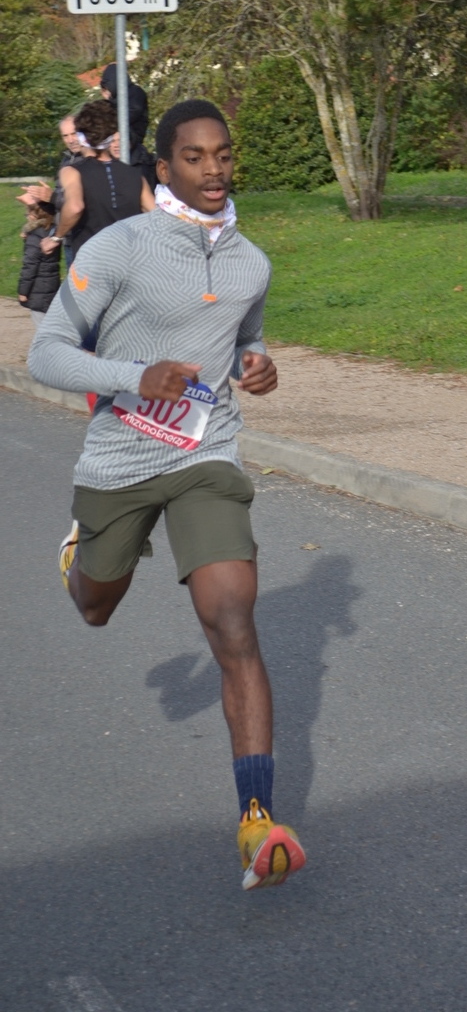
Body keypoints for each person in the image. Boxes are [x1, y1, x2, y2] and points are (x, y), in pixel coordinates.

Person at [28, 99, 304, 892]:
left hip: (204, 453)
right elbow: (46, 354)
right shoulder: (119, 248)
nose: (214, 170)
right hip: (120, 455)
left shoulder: (250, 261)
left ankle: (257, 818)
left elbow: (244, 337)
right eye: (194, 156)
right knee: (95, 606)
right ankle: (81, 554)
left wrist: (257, 364)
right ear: (164, 166)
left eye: (224, 154)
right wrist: (133, 375)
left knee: (233, 620)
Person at [41, 99, 155, 261]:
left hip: (92, 260)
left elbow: (75, 207)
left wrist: (56, 237)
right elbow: (156, 215)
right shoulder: (134, 174)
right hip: (130, 259)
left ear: (82, 137)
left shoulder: (72, 172)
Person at [100, 62, 157, 191]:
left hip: (135, 155)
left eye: (107, 87)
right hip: (121, 156)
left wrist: (110, 103)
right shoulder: (116, 101)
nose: (106, 92)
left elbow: (130, 113)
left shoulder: (135, 93)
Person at [17, 203, 60, 326]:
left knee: (42, 326)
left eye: (27, 214)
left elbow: (30, 266)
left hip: (38, 288)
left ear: (34, 216)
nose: (27, 217)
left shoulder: (35, 236)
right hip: (52, 283)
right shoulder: (53, 232)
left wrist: (23, 291)